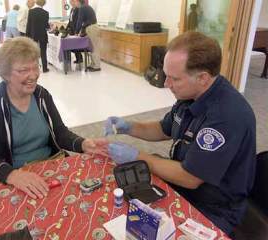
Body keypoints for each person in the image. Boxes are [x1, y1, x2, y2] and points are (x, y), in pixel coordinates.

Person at [104, 31, 256, 235]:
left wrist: (137, 156)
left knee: (145, 229)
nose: (166, 83)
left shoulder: (227, 116)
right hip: (184, 185)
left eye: (174, 78)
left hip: (214, 206)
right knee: (123, 206)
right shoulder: (191, 94)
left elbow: (190, 178)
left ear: (202, 78)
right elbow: (164, 128)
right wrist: (128, 127)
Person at [0, 37, 108, 200]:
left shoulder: (41, 95)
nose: (33, 75)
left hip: (51, 166)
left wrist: (83, 144)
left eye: (36, 67)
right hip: (16, 176)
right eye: (23, 70)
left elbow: (60, 133)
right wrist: (12, 175)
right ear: (5, 74)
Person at [75, 0, 100, 72]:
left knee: (94, 47)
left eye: (75, 2)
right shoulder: (86, 7)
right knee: (92, 47)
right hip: (92, 27)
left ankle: (96, 66)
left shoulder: (82, 8)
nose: (74, 3)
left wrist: (76, 32)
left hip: (92, 28)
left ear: (78, 1)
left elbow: (79, 21)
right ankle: (93, 64)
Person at [26, 0, 49, 73]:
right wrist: (49, 25)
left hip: (33, 34)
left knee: (33, 52)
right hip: (42, 34)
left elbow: (28, 24)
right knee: (43, 51)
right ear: (44, 4)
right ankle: (45, 68)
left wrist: (27, 35)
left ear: (36, 3)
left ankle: (34, 69)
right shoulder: (46, 13)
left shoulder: (31, 12)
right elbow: (46, 26)